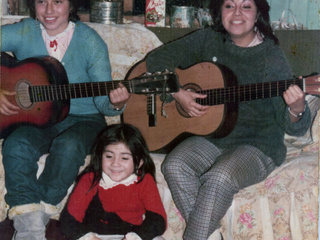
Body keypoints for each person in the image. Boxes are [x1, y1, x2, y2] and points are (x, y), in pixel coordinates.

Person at [145, 0, 312, 239]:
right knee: (174, 164)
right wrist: (177, 92)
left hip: (257, 145)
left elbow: (294, 127)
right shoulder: (208, 38)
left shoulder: (271, 57)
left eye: (246, 7)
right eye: (229, 6)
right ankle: (211, 235)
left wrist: (296, 107)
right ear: (219, 11)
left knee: (219, 177)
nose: (236, 14)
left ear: (258, 15)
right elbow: (157, 59)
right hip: (213, 138)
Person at [0, 0, 130, 239]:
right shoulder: (24, 31)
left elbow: (104, 104)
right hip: (37, 120)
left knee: (69, 146)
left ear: (71, 5)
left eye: (58, 2)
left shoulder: (90, 41)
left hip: (85, 119)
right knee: (15, 144)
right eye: (42, 2)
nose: (49, 11)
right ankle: (29, 230)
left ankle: (39, 214)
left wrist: (116, 103)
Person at [59, 123, 167, 240]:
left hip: (131, 235)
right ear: (100, 157)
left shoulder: (144, 180)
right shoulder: (90, 179)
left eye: (124, 158)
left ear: (139, 163)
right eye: (109, 156)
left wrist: (136, 237)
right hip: (94, 235)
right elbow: (68, 219)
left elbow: (158, 219)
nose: (115, 164)